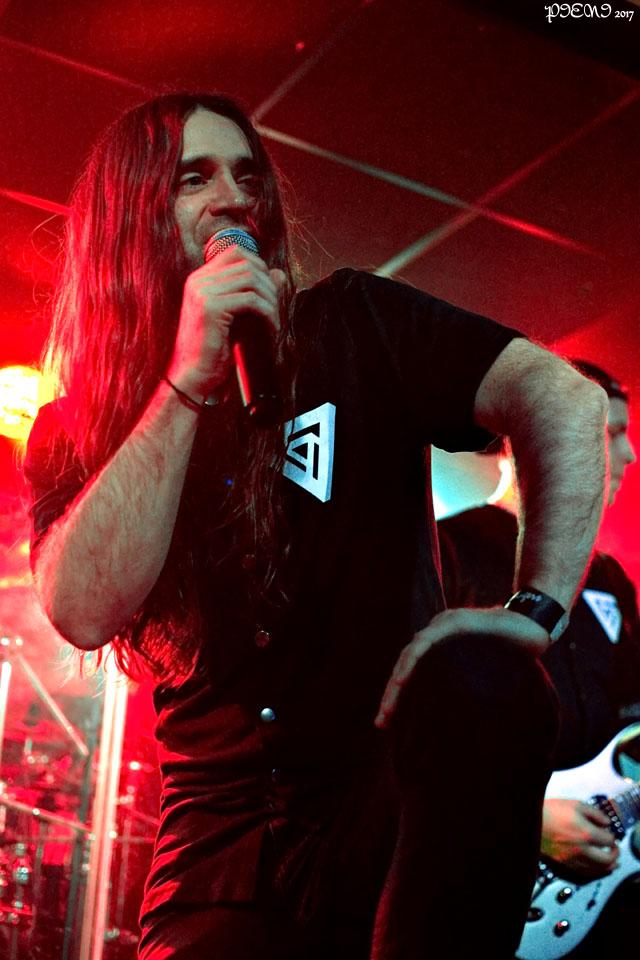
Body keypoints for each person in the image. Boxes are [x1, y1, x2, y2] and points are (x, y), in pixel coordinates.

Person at [23, 92, 608, 960]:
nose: (234, 198)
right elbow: (82, 608)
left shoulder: (356, 323)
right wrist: (188, 376)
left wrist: (536, 609)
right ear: (129, 217)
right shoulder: (80, 426)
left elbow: (562, 398)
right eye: (194, 179)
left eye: (248, 176)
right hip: (217, 846)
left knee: (489, 678)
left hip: (385, 803)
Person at [438, 359, 640, 959]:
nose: (628, 455)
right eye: (609, 433)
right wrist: (527, 818)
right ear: (534, 437)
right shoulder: (448, 551)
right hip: (482, 885)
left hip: (604, 895)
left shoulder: (610, 577)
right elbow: (397, 729)